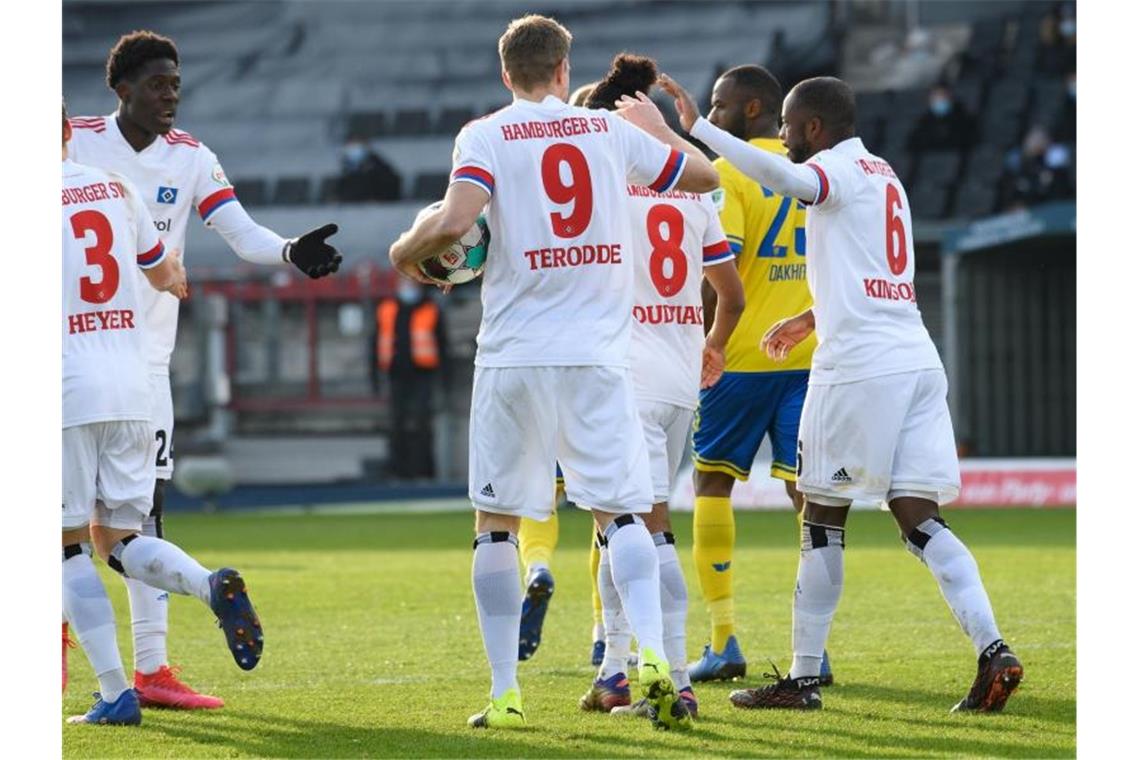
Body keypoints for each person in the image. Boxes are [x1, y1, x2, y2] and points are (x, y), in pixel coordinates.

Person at [630, 73, 1021, 712]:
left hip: (859, 370)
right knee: (920, 520)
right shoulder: (885, 173)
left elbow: (789, 180)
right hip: (916, 360)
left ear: (815, 127)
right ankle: (993, 650)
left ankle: (803, 679)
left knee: (820, 518)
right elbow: (877, 271)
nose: (782, 139)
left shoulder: (832, 169)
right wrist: (812, 315)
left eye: (787, 126)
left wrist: (699, 129)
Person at [389, 15, 718, 730]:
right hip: (600, 356)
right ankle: (655, 657)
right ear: (564, 71)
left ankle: (506, 695)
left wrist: (402, 251)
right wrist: (659, 131)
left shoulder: (484, 134)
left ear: (507, 74)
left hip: (513, 356)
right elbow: (703, 175)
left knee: (496, 525)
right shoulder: (606, 134)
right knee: (623, 512)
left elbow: (453, 223)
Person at [65, 30, 341, 710]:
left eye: (177, 86)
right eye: (158, 85)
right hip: (119, 364)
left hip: (133, 362)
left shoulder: (191, 159)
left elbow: (238, 231)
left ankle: (149, 670)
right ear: (121, 88)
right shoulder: (80, 144)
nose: (171, 97)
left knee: (116, 524)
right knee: (112, 530)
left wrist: (286, 252)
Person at [62, 105, 263, 725]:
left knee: (65, 549)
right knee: (121, 538)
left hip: (64, 388)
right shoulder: (115, 188)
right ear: (67, 131)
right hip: (133, 386)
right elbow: (164, 270)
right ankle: (209, 585)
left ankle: (117, 692)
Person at [571, 54, 745, 722]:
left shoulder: (603, 186)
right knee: (636, 525)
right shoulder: (694, 191)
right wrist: (713, 344)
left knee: (632, 528)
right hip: (678, 375)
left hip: (621, 374)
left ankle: (669, 677)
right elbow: (728, 293)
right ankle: (617, 671)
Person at [681, 64, 828, 685]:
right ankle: (812, 649)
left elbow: (725, 271)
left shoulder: (730, 171)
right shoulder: (814, 174)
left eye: (718, 105)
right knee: (812, 497)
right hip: (809, 356)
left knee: (712, 485)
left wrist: (706, 344)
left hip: (740, 357)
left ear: (749, 111)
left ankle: (723, 640)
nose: (709, 117)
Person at [371, 280, 450, 480]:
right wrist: (374, 378)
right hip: (396, 374)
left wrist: (445, 378)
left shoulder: (430, 309)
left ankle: (424, 472)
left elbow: (442, 345)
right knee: (396, 424)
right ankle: (398, 472)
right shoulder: (386, 308)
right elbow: (374, 344)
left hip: (423, 374)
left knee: (422, 423)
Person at [905, 83, 978, 153]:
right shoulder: (924, 122)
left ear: (950, 97)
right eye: (936, 97)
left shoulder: (964, 120)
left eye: (942, 96)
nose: (939, 100)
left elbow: (969, 142)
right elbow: (913, 145)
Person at [339, 136, 402, 202]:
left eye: (357, 146)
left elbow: (391, 184)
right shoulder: (347, 166)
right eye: (351, 146)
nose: (353, 149)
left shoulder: (377, 164)